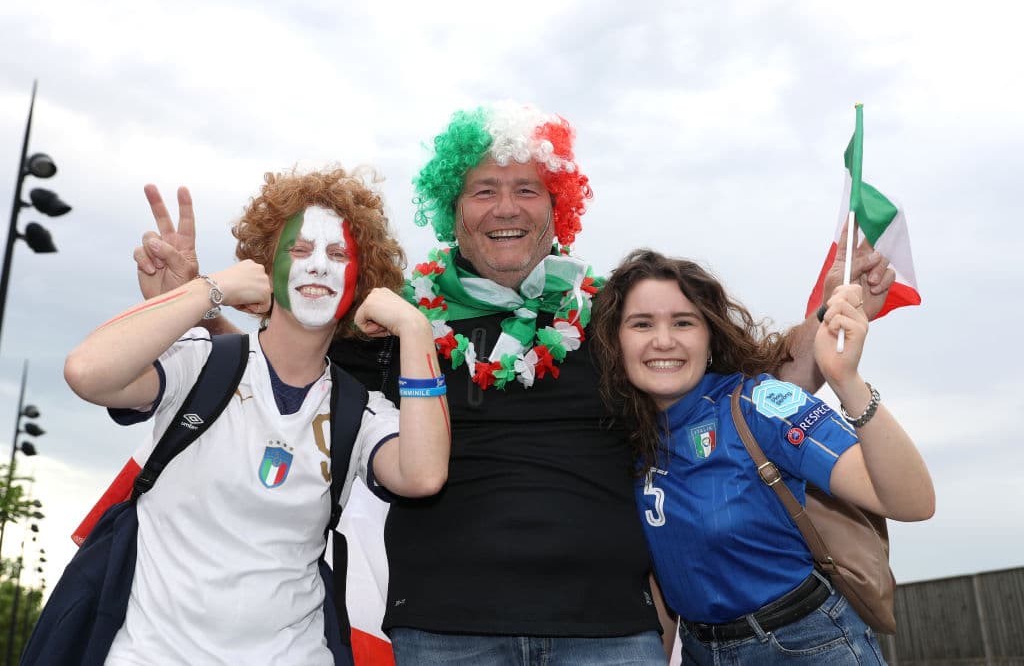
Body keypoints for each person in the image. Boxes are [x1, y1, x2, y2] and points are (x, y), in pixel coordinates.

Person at [133, 102, 896, 666]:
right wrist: (187, 296)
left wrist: (836, 307)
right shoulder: (397, 322)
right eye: (484, 190)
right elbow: (282, 372)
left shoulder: (618, 315)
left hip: (609, 631)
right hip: (444, 630)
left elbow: (746, 393)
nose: (505, 207)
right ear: (453, 211)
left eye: (527, 189)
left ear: (558, 209)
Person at [65, 168, 450, 666]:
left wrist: (417, 330)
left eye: (338, 254)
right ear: (265, 265)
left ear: (361, 280)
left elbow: (422, 475)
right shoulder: (199, 361)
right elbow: (86, 372)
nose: (318, 267)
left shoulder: (361, 410)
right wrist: (205, 291)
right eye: (299, 250)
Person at [589, 249, 935, 665]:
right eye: (642, 324)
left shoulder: (760, 404)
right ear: (615, 341)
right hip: (701, 653)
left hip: (807, 644)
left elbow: (912, 503)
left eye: (683, 322)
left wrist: (848, 381)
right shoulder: (625, 442)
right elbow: (660, 584)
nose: (664, 340)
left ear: (710, 337)